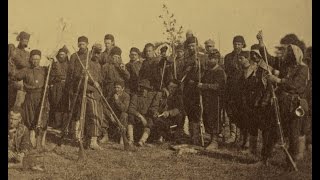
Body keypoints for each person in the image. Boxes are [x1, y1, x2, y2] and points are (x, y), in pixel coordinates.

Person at [267, 44, 309, 170]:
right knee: (273, 131)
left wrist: (278, 80)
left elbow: (295, 85)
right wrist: (261, 43)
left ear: (297, 55)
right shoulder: (285, 66)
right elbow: (270, 59)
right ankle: (265, 158)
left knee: (293, 133)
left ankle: (290, 163)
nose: (288, 55)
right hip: (281, 104)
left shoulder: (303, 69)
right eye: (288, 53)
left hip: (295, 105)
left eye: (291, 53)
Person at [12, 49, 49, 149]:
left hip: (41, 96)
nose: (35, 61)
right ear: (30, 59)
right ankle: (30, 139)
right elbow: (14, 77)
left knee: (42, 117)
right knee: (29, 117)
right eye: (33, 59)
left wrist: (53, 61)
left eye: (37, 59)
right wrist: (19, 87)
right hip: (30, 96)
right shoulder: (26, 70)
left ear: (40, 59)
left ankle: (41, 141)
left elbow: (55, 74)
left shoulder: (44, 70)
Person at [182, 36, 209, 145]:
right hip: (188, 88)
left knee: (198, 111)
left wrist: (199, 67)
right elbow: (182, 73)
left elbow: (206, 71)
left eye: (193, 46)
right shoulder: (186, 58)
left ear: (197, 46)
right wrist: (187, 69)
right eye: (189, 46)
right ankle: (192, 135)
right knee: (190, 110)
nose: (191, 48)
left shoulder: (203, 57)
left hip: (198, 87)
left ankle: (198, 137)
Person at [197, 50, 226, 150]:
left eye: (213, 58)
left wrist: (204, 86)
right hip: (207, 99)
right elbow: (202, 80)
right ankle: (210, 139)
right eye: (210, 58)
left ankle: (215, 141)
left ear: (217, 60)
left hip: (216, 99)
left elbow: (218, 86)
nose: (210, 60)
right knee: (208, 117)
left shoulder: (220, 71)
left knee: (215, 119)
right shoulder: (208, 70)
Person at [224, 35, 247, 144]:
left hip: (243, 89)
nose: (237, 46)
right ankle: (233, 135)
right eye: (235, 44)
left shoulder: (247, 55)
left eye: (239, 44)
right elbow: (227, 71)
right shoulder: (228, 57)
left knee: (242, 112)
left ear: (243, 45)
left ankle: (242, 137)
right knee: (232, 112)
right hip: (231, 88)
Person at [128, 79, 160, 146]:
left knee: (150, 121)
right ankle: (130, 140)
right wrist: (140, 116)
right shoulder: (135, 96)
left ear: (148, 90)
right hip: (137, 116)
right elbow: (131, 108)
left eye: (145, 89)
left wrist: (155, 112)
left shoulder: (151, 97)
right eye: (142, 88)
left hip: (146, 117)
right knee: (131, 117)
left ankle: (142, 141)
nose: (143, 90)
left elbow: (153, 108)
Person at [48, 46, 69, 130]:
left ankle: (64, 124)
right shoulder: (54, 64)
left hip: (65, 86)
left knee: (65, 105)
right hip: (57, 86)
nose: (61, 56)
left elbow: (64, 74)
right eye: (60, 54)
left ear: (66, 55)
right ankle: (57, 122)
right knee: (56, 104)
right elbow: (52, 74)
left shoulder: (68, 64)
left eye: (63, 54)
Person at [12, 31, 31, 108]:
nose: (25, 42)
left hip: (25, 82)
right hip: (16, 80)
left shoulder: (27, 53)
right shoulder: (14, 51)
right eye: (24, 40)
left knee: (21, 105)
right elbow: (21, 63)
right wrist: (28, 65)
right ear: (20, 40)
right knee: (14, 104)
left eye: (27, 41)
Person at [109, 81, 130, 145]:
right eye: (115, 87)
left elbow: (124, 109)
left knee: (124, 115)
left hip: (120, 116)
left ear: (123, 88)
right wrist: (110, 114)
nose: (116, 89)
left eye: (118, 87)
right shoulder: (112, 94)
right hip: (112, 115)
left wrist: (117, 100)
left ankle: (122, 136)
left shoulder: (126, 96)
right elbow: (107, 105)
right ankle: (105, 135)